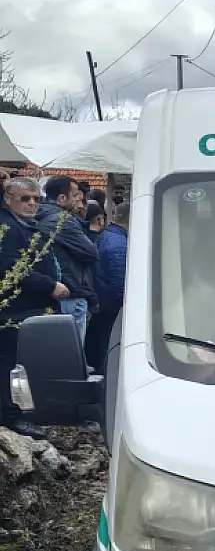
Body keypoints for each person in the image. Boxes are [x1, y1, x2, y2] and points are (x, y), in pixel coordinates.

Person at [0, 178, 69, 437]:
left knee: (20, 364)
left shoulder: (26, 225)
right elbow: (10, 267)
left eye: (36, 199)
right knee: (8, 365)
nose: (32, 204)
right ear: (8, 198)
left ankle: (20, 413)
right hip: (15, 309)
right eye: (25, 198)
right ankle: (11, 417)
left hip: (28, 308)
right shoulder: (6, 227)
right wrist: (49, 285)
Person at [38, 175, 97, 345]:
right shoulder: (62, 220)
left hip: (57, 291)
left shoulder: (42, 215)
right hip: (71, 291)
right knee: (72, 353)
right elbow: (91, 253)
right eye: (76, 195)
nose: (80, 199)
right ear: (62, 198)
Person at [86, 202, 128, 374]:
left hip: (101, 301)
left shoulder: (107, 236)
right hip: (110, 305)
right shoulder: (119, 244)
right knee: (108, 346)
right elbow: (118, 280)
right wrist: (122, 305)